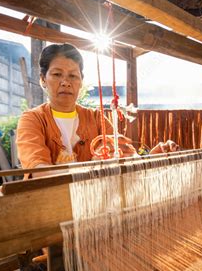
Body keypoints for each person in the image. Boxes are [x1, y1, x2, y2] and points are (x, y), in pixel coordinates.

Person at [17, 43, 178, 173]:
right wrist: (93, 168)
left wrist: (149, 159)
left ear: (81, 81)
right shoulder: (32, 119)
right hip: (51, 205)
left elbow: (124, 155)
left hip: (98, 204)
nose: (66, 82)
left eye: (73, 75)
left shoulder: (96, 118)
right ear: (43, 80)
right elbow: (40, 170)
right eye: (57, 74)